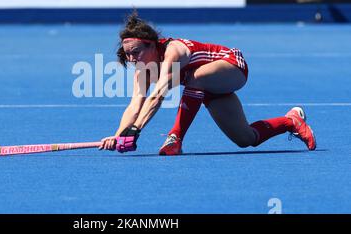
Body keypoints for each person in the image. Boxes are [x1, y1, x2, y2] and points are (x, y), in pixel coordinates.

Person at [99, 11, 316, 155]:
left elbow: (158, 96)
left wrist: (136, 129)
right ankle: (290, 121)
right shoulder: (142, 72)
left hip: (232, 66)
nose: (132, 59)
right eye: (127, 55)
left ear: (152, 46)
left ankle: (175, 139)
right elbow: (135, 106)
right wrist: (119, 136)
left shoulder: (173, 52)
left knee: (195, 77)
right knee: (246, 138)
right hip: (206, 87)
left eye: (136, 52)